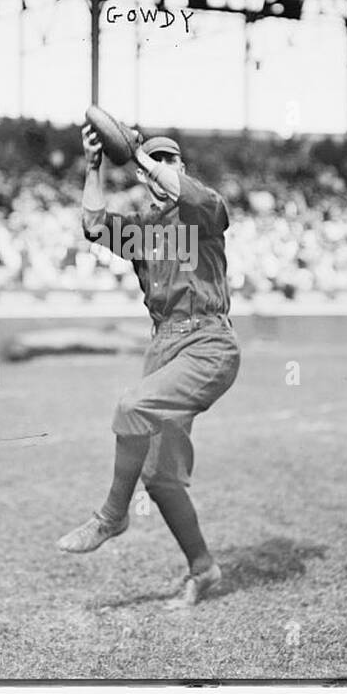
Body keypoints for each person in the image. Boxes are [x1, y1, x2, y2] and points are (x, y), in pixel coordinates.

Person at [56, 122, 241, 609]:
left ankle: (111, 516)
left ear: (179, 168)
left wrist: (141, 156)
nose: (159, 171)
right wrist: (96, 163)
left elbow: (190, 194)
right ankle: (203, 569)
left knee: (131, 406)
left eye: (168, 161)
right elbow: (93, 224)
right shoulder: (144, 232)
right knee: (160, 477)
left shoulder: (201, 211)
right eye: (154, 163)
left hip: (207, 342)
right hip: (163, 346)